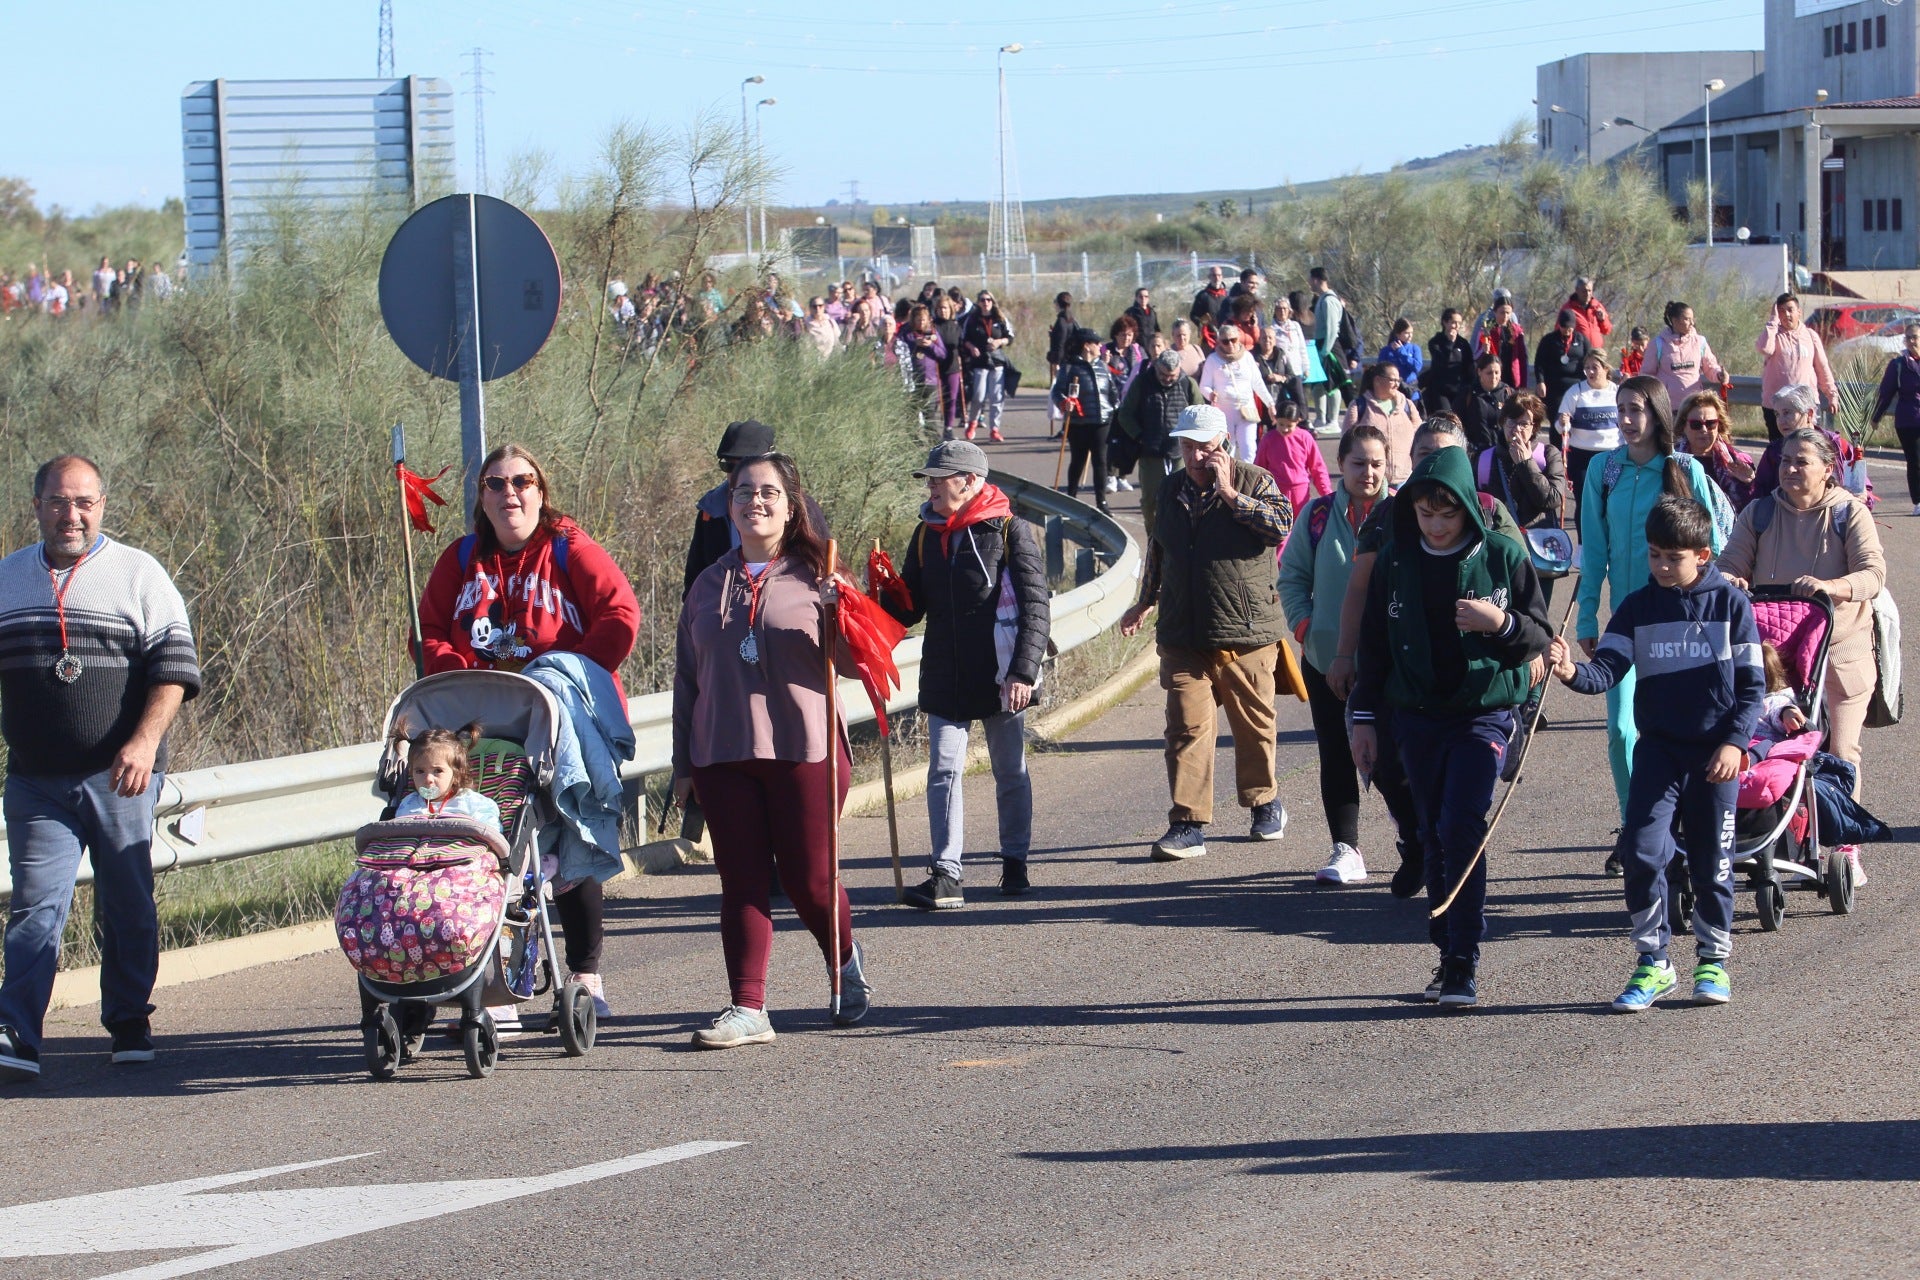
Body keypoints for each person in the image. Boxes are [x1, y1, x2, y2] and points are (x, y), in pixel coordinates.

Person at [418, 444, 640, 1020]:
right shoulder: (462, 558)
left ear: (541, 491)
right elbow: (431, 628)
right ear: (482, 497)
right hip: (479, 724)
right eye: (495, 483)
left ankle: (586, 975)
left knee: (566, 836)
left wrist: (570, 676)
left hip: (555, 720)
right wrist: (457, 674)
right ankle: (497, 984)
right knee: (486, 847)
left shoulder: (570, 549)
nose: (509, 493)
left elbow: (620, 615)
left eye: (522, 481)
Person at [0, 455, 201, 1084]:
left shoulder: (139, 574)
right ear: (36, 507)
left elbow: (175, 669)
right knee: (35, 907)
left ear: (102, 506)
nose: (72, 515)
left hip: (120, 775)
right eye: (59, 502)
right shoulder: (7, 580)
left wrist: (143, 744)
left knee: (127, 903)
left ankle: (128, 1019)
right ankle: (18, 1033)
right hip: (36, 780)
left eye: (84, 502)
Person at [672, 453, 872, 1046]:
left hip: (804, 748)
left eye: (768, 493)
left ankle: (845, 965)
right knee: (743, 880)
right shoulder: (708, 584)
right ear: (728, 505)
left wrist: (848, 615)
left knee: (811, 881)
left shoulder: (822, 577)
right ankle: (748, 1008)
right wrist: (683, 765)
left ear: (792, 508)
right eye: (742, 492)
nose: (754, 502)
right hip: (721, 752)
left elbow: (862, 666)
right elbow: (687, 679)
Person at [1349, 448, 1551, 1008]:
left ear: (1467, 509)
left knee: (1462, 824)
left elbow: (1538, 633)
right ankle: (1444, 952)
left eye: (1448, 515)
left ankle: (1464, 959)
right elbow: (1374, 647)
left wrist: (1501, 623)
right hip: (1414, 716)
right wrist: (1364, 720)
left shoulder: (1504, 555)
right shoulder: (1394, 559)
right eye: (1425, 514)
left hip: (1482, 713)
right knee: (1434, 832)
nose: (1436, 526)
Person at [1548, 496, 1760, 1011]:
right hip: (1659, 752)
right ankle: (1654, 962)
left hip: (1715, 756)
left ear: (1703, 555)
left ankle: (1712, 960)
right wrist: (1571, 670)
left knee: (1713, 862)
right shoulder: (1638, 606)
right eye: (1654, 554)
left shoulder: (1732, 605)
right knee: (1641, 851)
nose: (1662, 566)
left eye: (1674, 557)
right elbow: (1607, 671)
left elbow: (1754, 690)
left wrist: (1734, 743)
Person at [1120, 405, 1293, 860]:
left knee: (1253, 725)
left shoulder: (1255, 480)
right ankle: (1189, 822)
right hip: (1184, 631)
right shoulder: (1170, 489)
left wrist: (1231, 495)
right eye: (1187, 446)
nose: (1195, 455)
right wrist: (1144, 601)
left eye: (1204, 446)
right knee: (1185, 725)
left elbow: (1280, 527)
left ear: (1224, 444)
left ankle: (1264, 801)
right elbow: (1160, 549)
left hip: (1246, 630)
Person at [882, 442, 1050, 909]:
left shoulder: (1011, 530)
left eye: (940, 477)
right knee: (944, 771)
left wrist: (1023, 671)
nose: (931, 485)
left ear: (971, 481)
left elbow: (1036, 606)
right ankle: (947, 874)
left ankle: (1014, 862)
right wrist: (881, 591)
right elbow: (910, 607)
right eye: (930, 478)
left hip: (1000, 672)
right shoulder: (925, 533)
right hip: (944, 670)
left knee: (1010, 771)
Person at [1575, 377, 1730, 857]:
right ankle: (1635, 828)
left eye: (1636, 409)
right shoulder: (1603, 470)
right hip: (1626, 624)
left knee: (1683, 730)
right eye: (1620, 409)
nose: (1625, 419)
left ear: (1657, 412)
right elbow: (1594, 552)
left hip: (1682, 625)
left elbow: (1713, 551)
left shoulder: (1684, 469)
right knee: (1623, 730)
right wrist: (1586, 620)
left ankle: (1681, 826)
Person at [1278, 424, 1424, 890]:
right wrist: (1308, 630)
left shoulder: (1406, 513)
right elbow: (1292, 579)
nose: (1369, 472)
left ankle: (1414, 835)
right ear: (1341, 464)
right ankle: (1346, 847)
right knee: (1336, 754)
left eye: (1378, 463)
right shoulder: (1318, 515)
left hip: (1391, 663)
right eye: (1359, 463)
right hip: (1326, 662)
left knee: (1394, 756)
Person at [1719, 428, 1886, 789]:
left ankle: (1845, 840)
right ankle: (1790, 834)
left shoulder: (1849, 514)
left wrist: (1830, 587)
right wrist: (1730, 579)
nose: (1790, 469)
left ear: (1827, 469)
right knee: (1777, 751)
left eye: (1802, 462)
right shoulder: (1759, 512)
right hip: (1776, 657)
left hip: (1842, 652)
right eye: (1785, 461)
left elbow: (1873, 575)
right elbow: (1728, 563)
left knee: (1841, 752)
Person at [1477, 393, 1567, 540]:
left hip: (1538, 542)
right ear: (1503, 422)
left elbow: (1552, 500)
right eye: (1511, 422)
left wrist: (1526, 463)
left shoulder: (1548, 454)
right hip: (1499, 541)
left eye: (1524, 424)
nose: (1517, 429)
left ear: (1534, 427)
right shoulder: (1486, 458)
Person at [1051, 326, 1120, 515]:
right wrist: (1064, 402)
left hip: (1102, 421)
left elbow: (1113, 392)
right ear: (1087, 346)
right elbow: (1057, 392)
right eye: (1097, 343)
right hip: (1078, 423)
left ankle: (1102, 502)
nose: (1101, 346)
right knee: (1078, 461)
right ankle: (1071, 498)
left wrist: (1115, 409)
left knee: (1100, 461)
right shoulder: (1070, 367)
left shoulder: (1103, 366)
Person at [394, 723, 503, 832]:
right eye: (420, 771)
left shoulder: (472, 803)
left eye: (438, 771)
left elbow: (492, 833)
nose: (428, 779)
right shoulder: (408, 804)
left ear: (456, 774)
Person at [1756, 293, 1837, 439]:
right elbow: (1764, 348)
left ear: (1799, 312)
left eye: (1790, 310)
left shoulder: (1810, 336)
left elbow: (1822, 367)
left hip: (1805, 405)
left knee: (1806, 446)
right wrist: (1773, 321)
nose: (1786, 314)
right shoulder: (1774, 335)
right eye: (1781, 311)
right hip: (1776, 406)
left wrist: (1832, 394)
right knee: (1778, 450)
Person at [1197, 322, 1274, 462]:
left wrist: (1270, 404)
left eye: (1233, 340)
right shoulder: (1213, 360)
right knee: (1227, 450)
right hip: (1224, 413)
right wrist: (1210, 394)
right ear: (1220, 342)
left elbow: (1258, 383)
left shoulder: (1247, 358)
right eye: (1225, 341)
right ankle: (1227, 480)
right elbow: (1204, 386)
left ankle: (1248, 481)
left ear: (1239, 339)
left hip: (1247, 410)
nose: (1230, 344)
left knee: (1249, 449)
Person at [1868, 319, 1920, 515]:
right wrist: (1876, 417)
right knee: (1915, 461)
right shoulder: (1898, 364)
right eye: (1908, 338)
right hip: (1909, 420)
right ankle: (1918, 501)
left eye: (1915, 337)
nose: (1911, 341)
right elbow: (1886, 393)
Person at [1677, 390, 1758, 513]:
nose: (1704, 430)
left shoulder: (1738, 460)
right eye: (1696, 424)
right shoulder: (1671, 460)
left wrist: (1750, 483)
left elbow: (1752, 508)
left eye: (1710, 424)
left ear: (1719, 425)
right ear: (1683, 425)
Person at [1554, 348, 1620, 499]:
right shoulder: (1575, 392)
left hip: (1611, 454)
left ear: (1605, 369)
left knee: (1609, 501)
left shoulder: (1617, 392)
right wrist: (1563, 422)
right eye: (1587, 368)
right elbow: (1560, 428)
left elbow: (1624, 425)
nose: (1590, 372)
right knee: (1585, 501)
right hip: (1581, 456)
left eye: (1595, 368)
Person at [1342, 362, 1421, 485]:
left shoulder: (1407, 405)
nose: (1397, 384)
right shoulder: (1359, 406)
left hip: (1404, 479)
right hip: (1371, 480)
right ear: (1377, 380)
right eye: (1392, 380)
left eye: (1398, 380)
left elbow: (1419, 436)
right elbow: (1346, 441)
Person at [1253, 401, 1332, 521]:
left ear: (1298, 421)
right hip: (1276, 492)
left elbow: (1317, 468)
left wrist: (1326, 493)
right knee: (1278, 526)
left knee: (1301, 526)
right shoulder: (1268, 439)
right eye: (1281, 424)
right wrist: (1255, 492)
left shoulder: (1305, 437)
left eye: (1289, 426)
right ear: (1275, 419)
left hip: (1300, 492)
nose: (1284, 429)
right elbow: (1259, 468)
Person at [1645, 301, 1722, 410]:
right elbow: (1646, 375)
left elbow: (1710, 367)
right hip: (1667, 408)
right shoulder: (1658, 344)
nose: (1692, 323)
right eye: (1687, 319)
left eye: (1692, 319)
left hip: (1694, 406)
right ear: (1674, 320)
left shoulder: (1700, 342)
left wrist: (1719, 375)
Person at [961, 291, 1013, 442]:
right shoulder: (972, 319)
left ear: (992, 301)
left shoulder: (1000, 318)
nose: (986, 302)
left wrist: (999, 342)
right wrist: (971, 347)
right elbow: (964, 338)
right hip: (980, 362)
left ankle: (994, 429)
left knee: (997, 397)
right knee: (978, 395)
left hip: (996, 361)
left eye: (989, 299)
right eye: (983, 300)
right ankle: (972, 422)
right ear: (978, 302)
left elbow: (1010, 337)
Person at [1534, 309, 1592, 418]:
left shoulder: (1582, 340)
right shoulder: (1548, 340)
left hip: (1576, 386)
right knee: (1556, 419)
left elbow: (1590, 360)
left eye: (1569, 328)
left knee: (1575, 420)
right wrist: (1540, 381)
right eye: (1563, 327)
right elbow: (1539, 363)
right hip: (1554, 388)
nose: (1566, 331)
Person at [1458, 353, 1512, 456]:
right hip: (1475, 453)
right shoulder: (1468, 394)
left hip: (1503, 453)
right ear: (1479, 372)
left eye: (1497, 372)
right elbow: (1456, 422)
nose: (1494, 377)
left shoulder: (1508, 394)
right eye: (1489, 373)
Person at [1423, 308, 1474, 416]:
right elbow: (1440, 363)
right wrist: (1450, 344)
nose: (1456, 326)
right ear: (1445, 322)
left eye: (1459, 323)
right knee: (1446, 416)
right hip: (1441, 389)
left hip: (1459, 389)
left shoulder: (1463, 344)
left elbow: (1469, 366)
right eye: (1453, 322)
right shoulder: (1435, 342)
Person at [1476, 296, 1528, 391]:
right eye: (1502, 312)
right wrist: (1484, 351)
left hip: (1512, 377)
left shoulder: (1517, 331)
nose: (1505, 316)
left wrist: (1523, 383)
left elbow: (1522, 358)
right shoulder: (1487, 329)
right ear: (1495, 312)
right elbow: (1478, 356)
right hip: (1494, 376)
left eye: (1508, 313)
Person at [931, 294, 965, 436]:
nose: (942, 311)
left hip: (952, 366)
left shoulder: (956, 326)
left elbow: (961, 344)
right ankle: (933, 428)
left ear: (950, 309)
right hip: (936, 367)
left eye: (945, 308)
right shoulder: (932, 326)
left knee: (951, 398)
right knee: (937, 399)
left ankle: (948, 427)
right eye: (939, 308)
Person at [1378, 319, 1424, 404]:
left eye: (1411, 333)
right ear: (1398, 334)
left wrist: (1402, 353)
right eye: (1406, 333)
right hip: (1392, 393)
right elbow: (1380, 370)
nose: (1410, 336)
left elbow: (1417, 367)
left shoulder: (1414, 348)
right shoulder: (1386, 351)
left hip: (1411, 392)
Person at [1563, 276, 1613, 349]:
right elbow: (1559, 331)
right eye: (1584, 291)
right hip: (1578, 353)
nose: (1587, 294)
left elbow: (1607, 330)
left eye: (1590, 291)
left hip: (1596, 353)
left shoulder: (1597, 306)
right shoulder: (1568, 308)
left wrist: (1602, 320)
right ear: (1577, 290)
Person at [1190, 265, 1231, 346]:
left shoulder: (1227, 296)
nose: (1217, 278)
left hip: (1226, 336)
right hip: (1208, 337)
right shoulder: (1202, 296)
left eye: (1219, 275)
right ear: (1209, 277)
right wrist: (1203, 323)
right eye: (1214, 275)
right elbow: (1193, 315)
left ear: (1222, 277)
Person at [1046, 291, 1077, 389]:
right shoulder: (1072, 320)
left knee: (1059, 389)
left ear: (1058, 304)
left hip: (1062, 362)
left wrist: (1056, 363)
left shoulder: (1061, 321)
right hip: (1071, 359)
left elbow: (1060, 344)